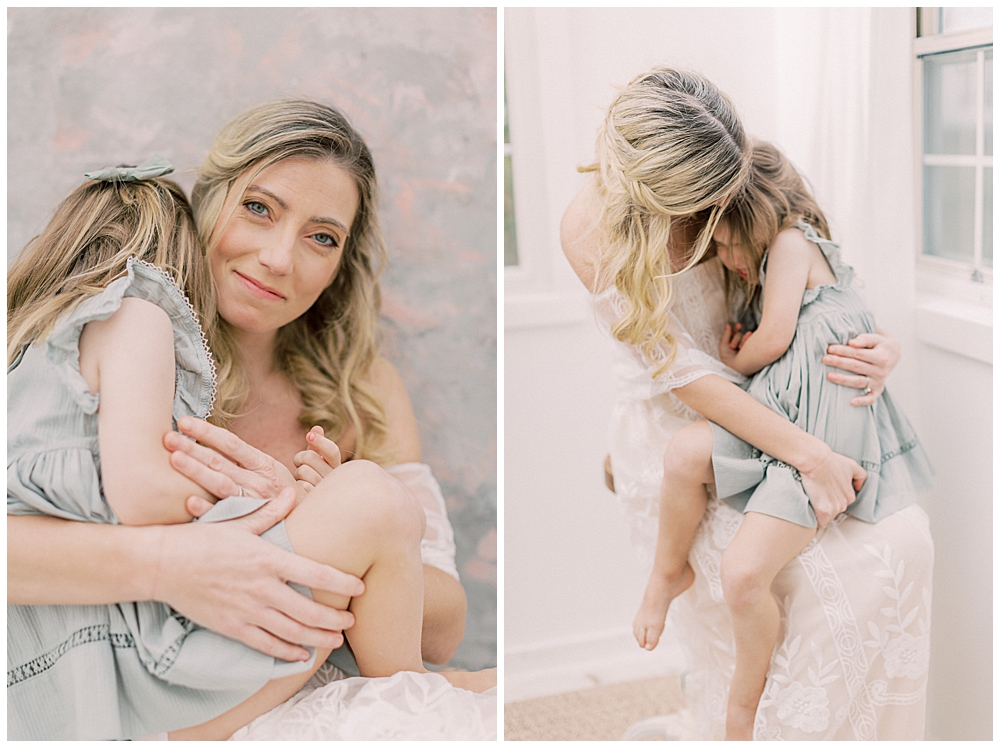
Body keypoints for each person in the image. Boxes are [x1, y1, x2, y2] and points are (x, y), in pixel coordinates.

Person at [7, 101, 494, 740]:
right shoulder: (118, 343)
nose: (278, 258)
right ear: (203, 205)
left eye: (322, 237)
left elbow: (441, 628)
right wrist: (168, 564)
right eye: (259, 208)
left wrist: (317, 512)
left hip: (320, 682)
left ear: (340, 263)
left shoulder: (362, 389)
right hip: (134, 693)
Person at [561, 67, 933, 740]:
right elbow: (684, 375)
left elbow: (822, 276)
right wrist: (809, 453)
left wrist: (881, 348)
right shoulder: (589, 231)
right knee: (789, 584)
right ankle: (742, 720)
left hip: (777, 401)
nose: (712, 222)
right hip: (684, 422)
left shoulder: (731, 161)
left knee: (899, 547)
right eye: (694, 210)